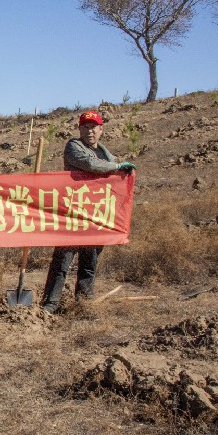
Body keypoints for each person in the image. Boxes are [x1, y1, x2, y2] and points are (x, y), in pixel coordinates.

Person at [41, 110, 135, 314]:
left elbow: (111, 174)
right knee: (62, 260)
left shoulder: (106, 153)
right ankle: (50, 305)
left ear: (101, 129)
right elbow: (90, 164)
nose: (89, 131)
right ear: (79, 129)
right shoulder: (74, 147)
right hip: (73, 214)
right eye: (85, 126)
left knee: (89, 261)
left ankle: (83, 302)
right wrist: (117, 166)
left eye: (94, 127)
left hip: (96, 216)